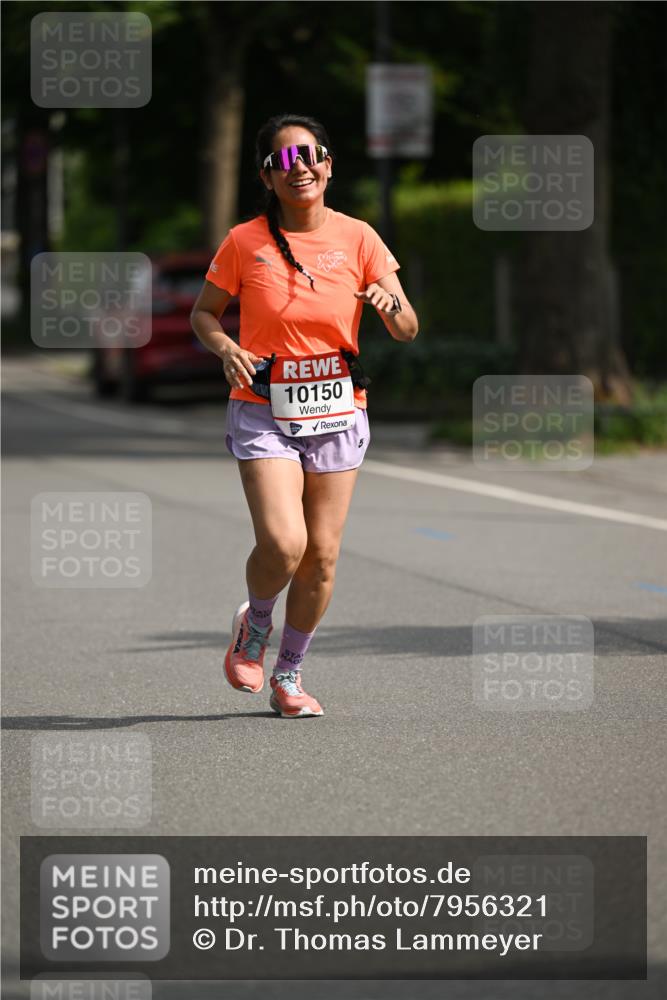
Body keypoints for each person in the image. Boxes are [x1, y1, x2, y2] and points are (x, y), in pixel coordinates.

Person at [191, 113, 418, 718]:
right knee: (285, 542)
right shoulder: (244, 242)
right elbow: (204, 315)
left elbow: (405, 326)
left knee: (321, 556)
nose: (302, 168)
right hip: (263, 406)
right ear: (267, 175)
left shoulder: (360, 238)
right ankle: (254, 627)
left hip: (339, 410)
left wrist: (389, 302)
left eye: (312, 155)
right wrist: (227, 349)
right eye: (285, 161)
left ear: (329, 164)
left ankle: (288, 675)